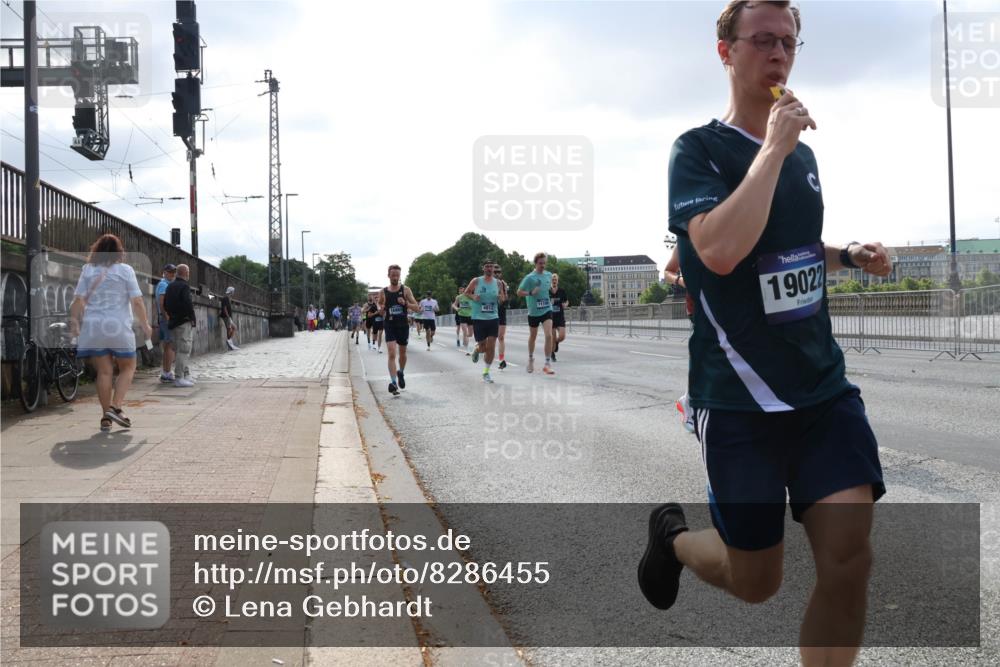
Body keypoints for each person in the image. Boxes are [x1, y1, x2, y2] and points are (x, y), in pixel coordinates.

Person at [637, 4, 893, 666]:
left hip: (821, 390)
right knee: (755, 581)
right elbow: (720, 251)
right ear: (725, 51)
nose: (779, 54)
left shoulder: (804, 158)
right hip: (739, 398)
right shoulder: (698, 151)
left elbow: (790, 248)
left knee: (850, 558)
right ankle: (673, 540)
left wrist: (848, 254)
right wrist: (774, 147)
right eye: (763, 41)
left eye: (789, 42)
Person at [69, 234, 152, 432]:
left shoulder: (88, 269)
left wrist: (74, 323)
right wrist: (146, 325)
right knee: (128, 367)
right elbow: (137, 301)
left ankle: (106, 418)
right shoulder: (125, 270)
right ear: (119, 252)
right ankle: (115, 407)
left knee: (104, 371)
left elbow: (78, 300)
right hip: (118, 326)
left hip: (94, 328)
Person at [665, 245, 695, 433]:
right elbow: (668, 271)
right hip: (699, 305)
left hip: (729, 300)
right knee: (701, 355)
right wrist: (681, 280)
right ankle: (689, 406)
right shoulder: (685, 238)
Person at [377, 265, 419, 395]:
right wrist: (380, 308)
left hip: (402, 325)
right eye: (393, 275)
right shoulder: (383, 291)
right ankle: (393, 383)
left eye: (397, 275)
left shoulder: (406, 290)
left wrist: (405, 303)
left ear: (400, 276)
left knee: (402, 353)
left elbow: (417, 307)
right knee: (391, 353)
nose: (395, 277)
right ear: (388, 275)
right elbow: (379, 303)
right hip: (389, 324)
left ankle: (401, 372)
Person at [465, 259, 505, 383]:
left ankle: (486, 372)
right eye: (487, 266)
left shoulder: (498, 283)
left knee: (491, 347)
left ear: (493, 268)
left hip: (493, 317)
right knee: (483, 348)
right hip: (478, 318)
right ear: (483, 268)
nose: (489, 268)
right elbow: (466, 292)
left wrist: (500, 297)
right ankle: (477, 349)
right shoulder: (476, 281)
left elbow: (503, 298)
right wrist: (473, 296)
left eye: (491, 266)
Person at [516, 252, 555, 375]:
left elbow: (549, 288)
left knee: (549, 335)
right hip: (533, 311)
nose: (542, 265)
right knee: (533, 336)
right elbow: (519, 292)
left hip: (547, 309)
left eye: (544, 263)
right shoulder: (529, 278)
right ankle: (530, 359)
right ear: (535, 263)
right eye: (540, 263)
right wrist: (531, 293)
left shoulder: (549, 275)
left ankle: (547, 364)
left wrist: (553, 289)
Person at [163, 264, 198, 388]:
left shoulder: (170, 286)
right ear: (186, 273)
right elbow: (188, 303)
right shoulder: (184, 286)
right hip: (183, 322)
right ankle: (179, 377)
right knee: (184, 350)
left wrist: (172, 315)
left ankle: (186, 374)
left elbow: (165, 304)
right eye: (188, 272)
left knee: (179, 350)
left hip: (173, 322)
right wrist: (192, 318)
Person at [155, 264, 177, 382]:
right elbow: (162, 302)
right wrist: (167, 317)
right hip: (166, 319)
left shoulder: (165, 284)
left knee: (167, 346)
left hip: (163, 318)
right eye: (170, 272)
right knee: (170, 346)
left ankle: (165, 372)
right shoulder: (164, 284)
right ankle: (167, 372)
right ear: (164, 272)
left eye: (174, 272)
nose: (172, 274)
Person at [549, 273, 569, 362]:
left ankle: (556, 342)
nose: (554, 281)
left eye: (555, 280)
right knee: (552, 337)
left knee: (562, 336)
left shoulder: (561, 291)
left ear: (557, 281)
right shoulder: (547, 291)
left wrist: (565, 304)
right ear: (550, 281)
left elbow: (566, 301)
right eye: (553, 280)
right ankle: (552, 354)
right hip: (550, 317)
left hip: (560, 316)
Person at [494, 265, 509, 369]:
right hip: (489, 312)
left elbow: (505, 298)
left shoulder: (503, 284)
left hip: (501, 311)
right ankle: (478, 348)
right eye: (495, 272)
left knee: (501, 337)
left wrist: (503, 295)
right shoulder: (486, 283)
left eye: (499, 272)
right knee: (489, 338)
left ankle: (501, 360)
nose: (497, 274)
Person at [452, 290, 473, 354]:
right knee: (465, 332)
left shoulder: (471, 296)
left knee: (470, 334)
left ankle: (465, 338)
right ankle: (467, 349)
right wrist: (457, 308)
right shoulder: (459, 297)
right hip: (462, 316)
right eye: (464, 290)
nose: (465, 291)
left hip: (470, 316)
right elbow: (454, 305)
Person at [220, 286, 239, 351]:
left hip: (228, 316)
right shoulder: (225, 298)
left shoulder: (228, 298)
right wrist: (228, 317)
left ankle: (229, 342)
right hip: (226, 316)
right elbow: (224, 308)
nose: (234, 292)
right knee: (230, 328)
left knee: (232, 328)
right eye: (233, 291)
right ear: (231, 292)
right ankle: (229, 342)